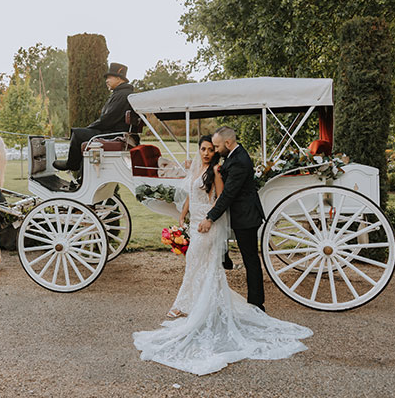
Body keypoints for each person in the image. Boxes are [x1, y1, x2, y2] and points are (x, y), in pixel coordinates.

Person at [133, 134, 312, 376]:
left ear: (221, 147)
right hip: (196, 221)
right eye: (204, 148)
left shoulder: (217, 170)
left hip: (208, 223)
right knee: (198, 263)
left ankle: (186, 304)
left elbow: (222, 197)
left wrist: (209, 219)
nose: (208, 152)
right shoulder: (201, 167)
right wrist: (183, 216)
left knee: (199, 261)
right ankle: (194, 301)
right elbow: (189, 194)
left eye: (211, 148)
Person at [198, 126, 266, 310]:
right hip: (240, 214)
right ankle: (225, 257)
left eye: (217, 146)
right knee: (249, 258)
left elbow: (228, 194)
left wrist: (210, 218)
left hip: (246, 216)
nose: (216, 150)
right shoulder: (234, 155)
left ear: (228, 143)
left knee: (250, 259)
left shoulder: (239, 162)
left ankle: (257, 304)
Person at [53, 62, 134, 171]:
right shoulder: (121, 94)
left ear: (119, 79)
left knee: (78, 134)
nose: (106, 80)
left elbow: (107, 119)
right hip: (116, 132)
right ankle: (82, 173)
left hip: (115, 134)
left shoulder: (122, 95)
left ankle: (72, 165)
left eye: (109, 77)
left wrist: (89, 128)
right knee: (81, 134)